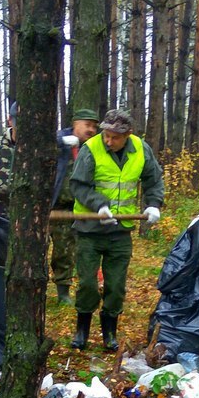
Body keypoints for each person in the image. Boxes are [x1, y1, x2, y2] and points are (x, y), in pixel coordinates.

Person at [69, 108, 165, 351]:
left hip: (120, 231)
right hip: (90, 228)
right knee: (88, 283)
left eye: (115, 137)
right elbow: (78, 186)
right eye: (106, 135)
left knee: (116, 285)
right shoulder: (90, 149)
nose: (109, 140)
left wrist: (153, 204)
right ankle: (82, 331)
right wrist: (99, 205)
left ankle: (109, 333)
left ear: (128, 134)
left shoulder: (141, 149)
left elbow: (153, 179)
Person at [50, 108, 101, 306]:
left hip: (75, 208)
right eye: (87, 125)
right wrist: (61, 143)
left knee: (65, 250)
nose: (91, 130)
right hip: (50, 205)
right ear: (75, 123)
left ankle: (63, 291)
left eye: (94, 127)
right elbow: (37, 145)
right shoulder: (59, 139)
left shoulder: (94, 147)